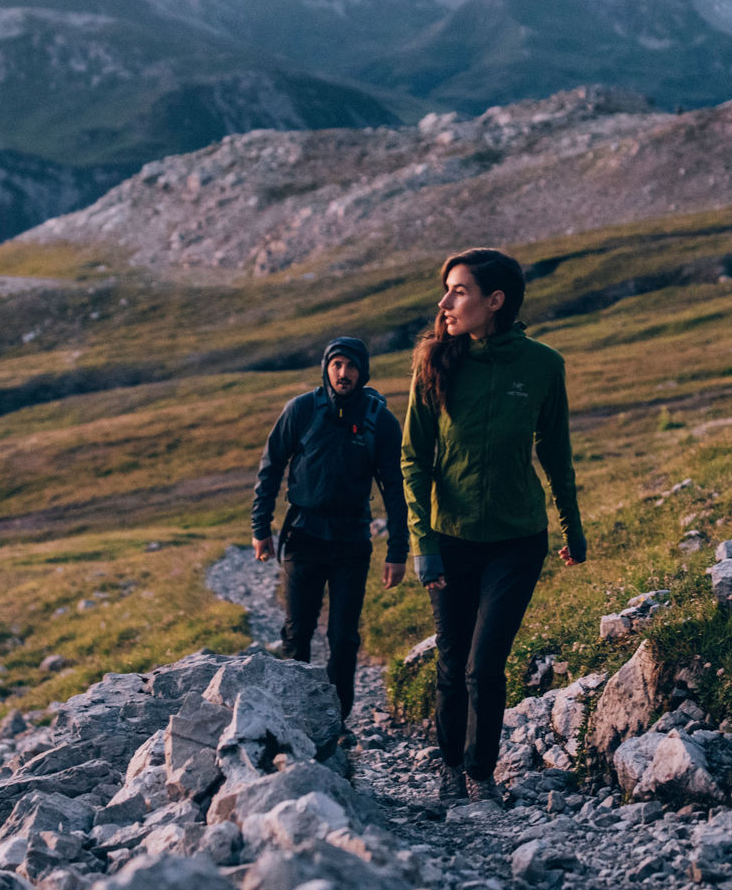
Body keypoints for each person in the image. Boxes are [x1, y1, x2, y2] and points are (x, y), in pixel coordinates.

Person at [401, 248, 586, 805]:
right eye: (447, 290)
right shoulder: (434, 362)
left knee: (485, 665)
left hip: (517, 540)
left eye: (459, 291)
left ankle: (481, 775)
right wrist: (422, 543)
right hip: (450, 538)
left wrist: (572, 528)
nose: (445, 302)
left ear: (495, 300)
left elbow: (556, 453)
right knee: (452, 662)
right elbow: (414, 459)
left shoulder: (543, 365)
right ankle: (450, 768)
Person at [251, 337, 409, 718]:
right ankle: (295, 719)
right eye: (336, 364)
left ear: (363, 372)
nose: (343, 373)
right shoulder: (302, 410)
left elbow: (394, 488)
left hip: (352, 541)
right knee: (296, 633)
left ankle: (337, 721)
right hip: (303, 535)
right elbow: (271, 467)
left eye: (351, 366)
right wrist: (261, 528)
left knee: (343, 638)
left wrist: (397, 551)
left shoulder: (379, 421)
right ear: (326, 368)